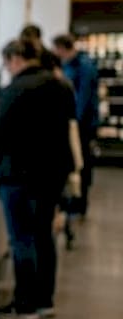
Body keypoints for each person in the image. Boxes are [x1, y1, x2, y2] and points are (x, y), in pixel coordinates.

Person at [0, 38, 76, 319]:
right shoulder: (59, 85)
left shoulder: (15, 89)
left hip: (19, 175)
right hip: (52, 173)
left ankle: (24, 303)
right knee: (43, 236)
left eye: (7, 63)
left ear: (16, 59)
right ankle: (44, 300)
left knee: (21, 238)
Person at [52, 33, 99, 224]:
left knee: (80, 163)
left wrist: (73, 122)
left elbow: (83, 99)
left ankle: (78, 204)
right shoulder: (66, 65)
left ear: (62, 48)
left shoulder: (84, 66)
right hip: (73, 123)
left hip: (82, 125)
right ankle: (71, 203)